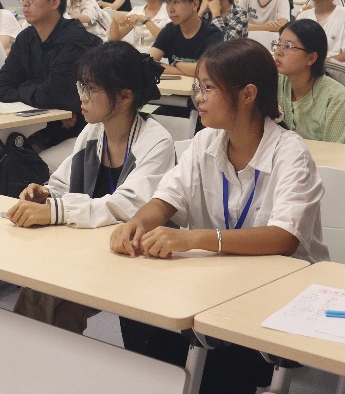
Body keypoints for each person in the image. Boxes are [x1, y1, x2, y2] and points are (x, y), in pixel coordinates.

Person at [109, 38, 327, 393]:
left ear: (248, 94)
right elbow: (165, 199)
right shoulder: (205, 142)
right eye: (198, 87)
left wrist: (194, 238)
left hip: (279, 293)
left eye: (208, 88)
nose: (199, 97)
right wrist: (137, 223)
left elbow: (284, 238)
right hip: (218, 284)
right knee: (143, 318)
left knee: (213, 364)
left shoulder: (290, 152)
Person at [8, 42, 175, 332]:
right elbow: (63, 182)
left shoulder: (156, 141)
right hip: (93, 248)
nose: (81, 97)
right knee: (39, 286)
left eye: (92, 89)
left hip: (138, 255)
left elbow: (126, 206)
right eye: (81, 86)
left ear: (125, 96)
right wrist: (46, 194)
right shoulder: (93, 131)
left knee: (54, 297)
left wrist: (56, 211)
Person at [0, 0, 102, 150]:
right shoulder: (25, 38)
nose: (25, 3)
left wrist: (23, 87)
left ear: (54, 2)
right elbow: (1, 89)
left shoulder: (76, 41)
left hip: (76, 136)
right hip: (32, 129)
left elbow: (54, 95)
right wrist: (37, 89)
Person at [272, 19, 345, 146]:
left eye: (288, 46)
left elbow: (339, 152)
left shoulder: (336, 98)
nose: (278, 52)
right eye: (278, 44)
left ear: (311, 58)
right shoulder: (276, 83)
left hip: (342, 157)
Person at [149, 0, 224, 76]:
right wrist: (184, 70)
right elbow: (148, 62)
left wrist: (176, 63)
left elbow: (209, 70)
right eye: (167, 2)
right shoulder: (169, 30)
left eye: (176, 2)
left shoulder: (213, 34)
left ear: (195, 4)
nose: (170, 9)